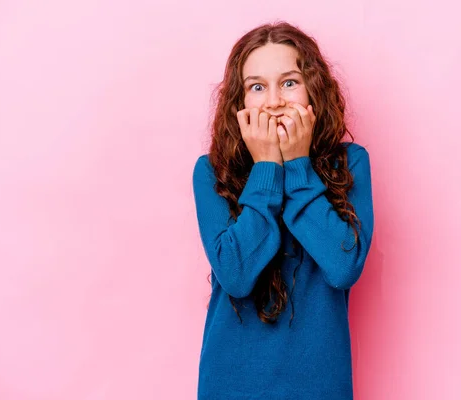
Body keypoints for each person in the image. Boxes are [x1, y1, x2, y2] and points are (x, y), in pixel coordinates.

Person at [192, 20, 374, 400]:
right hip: (231, 384)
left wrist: (297, 165)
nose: (274, 100)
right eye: (257, 87)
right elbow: (236, 276)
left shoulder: (350, 163)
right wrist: (266, 169)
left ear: (313, 90)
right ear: (239, 103)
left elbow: (343, 268)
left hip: (319, 386)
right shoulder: (212, 172)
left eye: (289, 82)